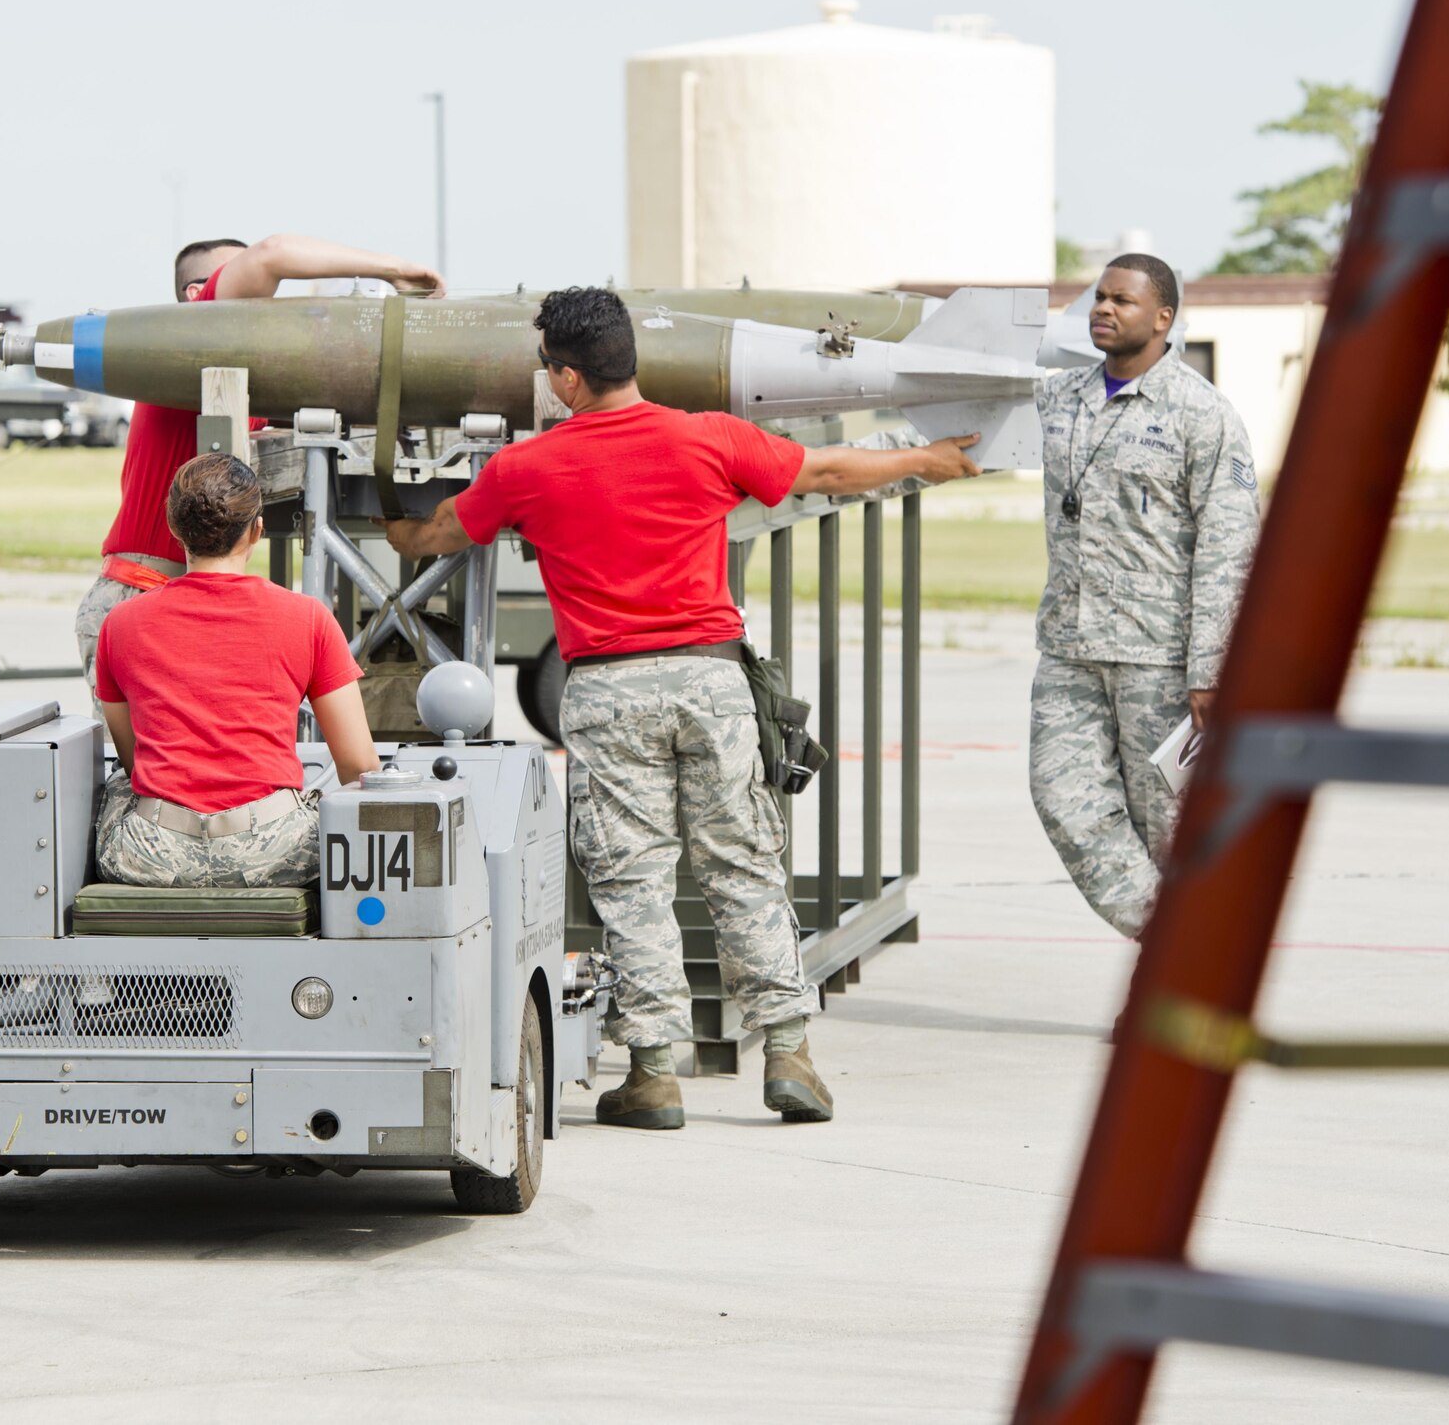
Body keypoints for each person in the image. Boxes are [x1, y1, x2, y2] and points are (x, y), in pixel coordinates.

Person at [380, 287, 985, 1129]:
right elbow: (827, 470)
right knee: (743, 865)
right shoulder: (707, 437)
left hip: (607, 688)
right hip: (711, 682)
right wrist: (929, 460)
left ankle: (655, 1072)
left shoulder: (527, 468)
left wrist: (395, 529)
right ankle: (787, 1052)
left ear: (564, 375)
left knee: (633, 879)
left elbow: (445, 530)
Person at [75, 234, 446, 715]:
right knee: (150, 779)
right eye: (235, 275)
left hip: (175, 600)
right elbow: (272, 254)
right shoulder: (190, 334)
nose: (260, 296)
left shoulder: (221, 379)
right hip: (142, 596)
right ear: (197, 295)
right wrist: (393, 269)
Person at [1030, 253, 1260, 938]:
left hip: (1159, 661)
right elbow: (962, 440)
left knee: (1168, 831)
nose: (1103, 309)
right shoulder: (1058, 397)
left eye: (1122, 301)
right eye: (1099, 297)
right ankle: (1178, 944)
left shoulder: (1203, 415)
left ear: (1163, 319)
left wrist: (1210, 670)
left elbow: (1229, 549)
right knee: (1063, 798)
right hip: (1070, 651)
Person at [93, 452, 380, 888]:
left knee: (117, 785)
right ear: (257, 530)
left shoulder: (120, 624)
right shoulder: (308, 618)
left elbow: (134, 763)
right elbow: (359, 766)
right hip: (273, 854)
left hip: (154, 856)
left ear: (174, 529)